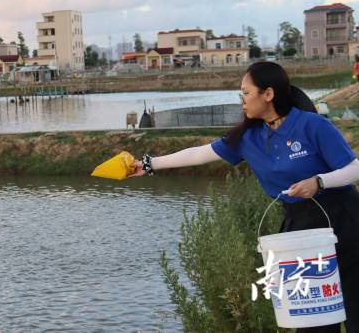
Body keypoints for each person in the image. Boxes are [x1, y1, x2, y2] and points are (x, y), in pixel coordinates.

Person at [129, 61, 359, 333]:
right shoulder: (249, 136)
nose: (242, 101)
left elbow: (354, 169)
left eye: (246, 93)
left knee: (355, 309)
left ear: (268, 94)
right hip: (301, 230)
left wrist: (319, 182)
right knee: (311, 318)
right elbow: (200, 154)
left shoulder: (312, 125)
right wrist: (147, 164)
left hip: (345, 222)